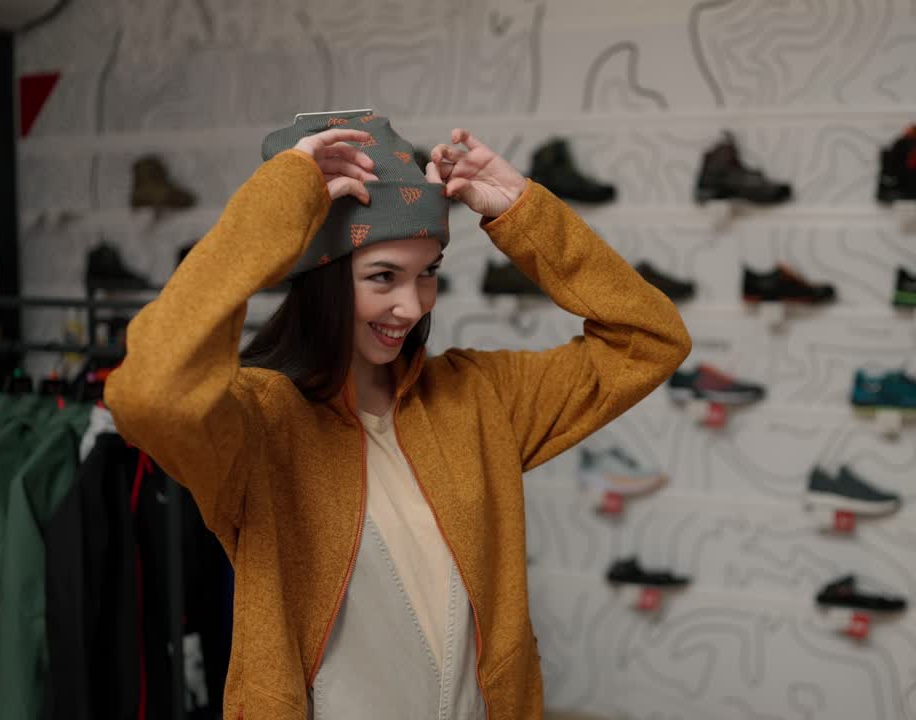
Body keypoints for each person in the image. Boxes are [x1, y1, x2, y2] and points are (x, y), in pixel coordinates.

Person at [104, 112, 691, 720]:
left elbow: (649, 340)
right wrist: (280, 203)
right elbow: (149, 392)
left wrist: (523, 211)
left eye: (428, 273)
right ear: (322, 280)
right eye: (383, 277)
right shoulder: (260, 423)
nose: (410, 306)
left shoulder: (478, 398)